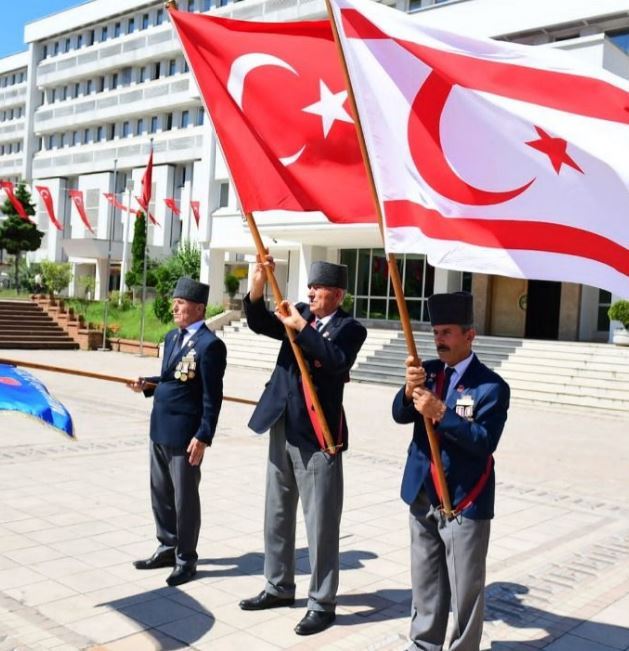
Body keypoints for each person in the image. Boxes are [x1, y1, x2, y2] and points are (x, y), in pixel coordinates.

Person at [239, 256, 367, 636]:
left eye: (319, 288)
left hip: (318, 434)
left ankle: (322, 602)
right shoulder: (296, 312)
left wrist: (302, 328)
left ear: (338, 294)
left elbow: (335, 361)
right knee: (276, 513)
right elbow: (260, 322)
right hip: (282, 423)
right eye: (310, 286)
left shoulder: (350, 328)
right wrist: (259, 284)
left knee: (321, 522)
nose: (310, 292)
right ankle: (278, 586)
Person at [392, 291, 510, 651]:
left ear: (469, 335)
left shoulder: (491, 386)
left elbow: (482, 441)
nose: (438, 340)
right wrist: (409, 389)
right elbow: (400, 414)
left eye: (447, 332)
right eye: (435, 332)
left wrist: (441, 412)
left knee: (464, 590)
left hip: (462, 498)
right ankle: (424, 643)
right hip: (423, 491)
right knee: (425, 580)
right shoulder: (426, 371)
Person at [129, 277, 227, 587]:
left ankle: (186, 558)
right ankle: (167, 546)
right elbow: (170, 377)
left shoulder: (211, 346)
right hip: (159, 427)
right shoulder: (173, 337)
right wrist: (147, 383)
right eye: (175, 301)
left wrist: (204, 436)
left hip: (186, 435)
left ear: (198, 308)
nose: (174, 306)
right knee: (160, 493)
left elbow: (213, 396)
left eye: (180, 303)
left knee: (185, 498)